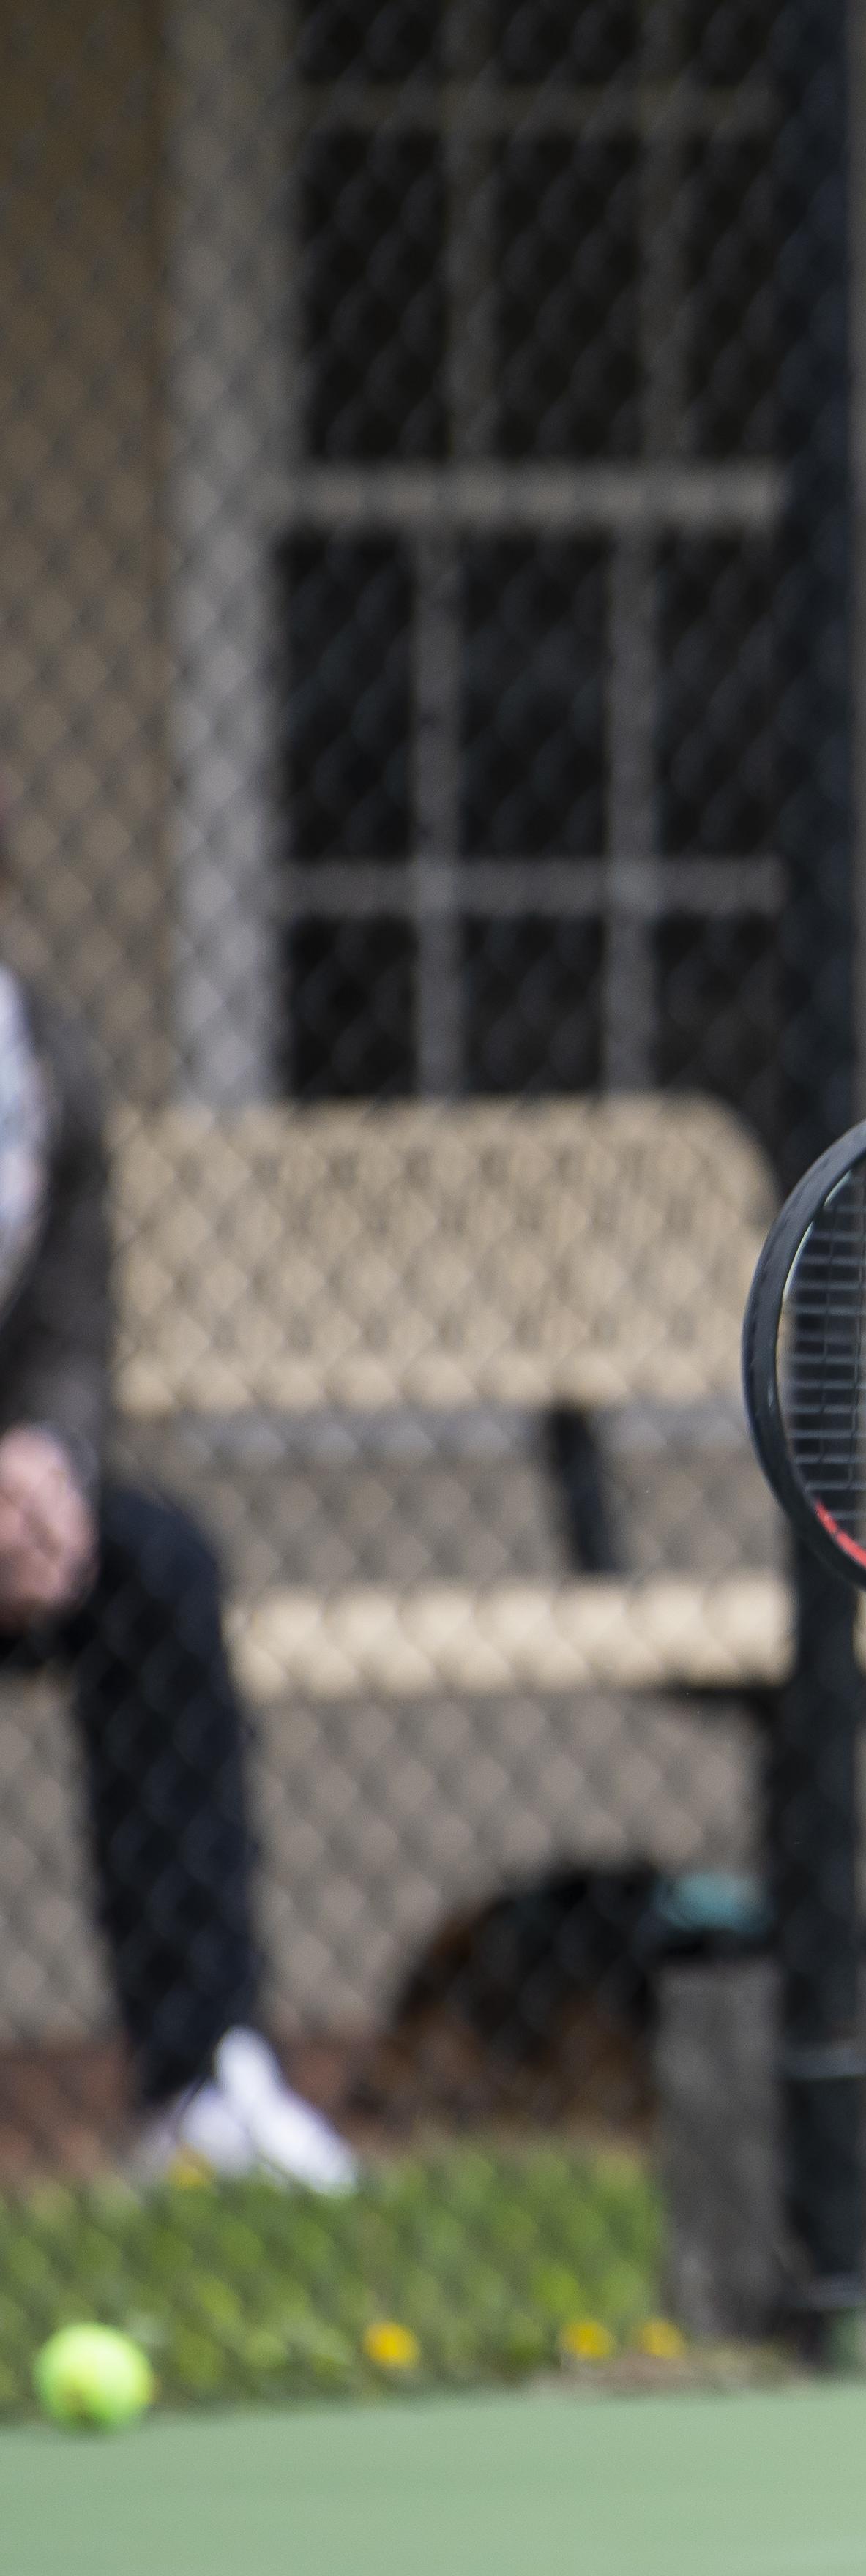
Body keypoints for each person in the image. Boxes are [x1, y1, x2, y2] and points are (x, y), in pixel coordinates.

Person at [0, 781, 354, 2189]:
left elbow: (69, 1326)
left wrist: (44, 1468)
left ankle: (203, 2081)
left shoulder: (39, 1054)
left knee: (158, 1570)